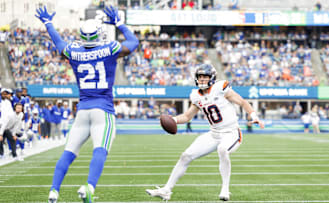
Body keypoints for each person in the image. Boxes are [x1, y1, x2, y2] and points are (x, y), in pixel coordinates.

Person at [35, 5, 139, 203]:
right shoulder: (110, 49)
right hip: (103, 109)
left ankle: (54, 191)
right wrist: (119, 23)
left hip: (82, 110)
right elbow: (133, 42)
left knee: (69, 152)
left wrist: (48, 23)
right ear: (99, 35)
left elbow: (58, 42)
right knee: (100, 149)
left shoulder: (73, 51)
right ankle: (89, 187)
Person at [146, 64, 264, 201]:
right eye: (200, 77)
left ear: (212, 78)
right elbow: (187, 116)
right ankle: (166, 190)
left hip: (231, 133)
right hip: (213, 134)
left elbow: (243, 102)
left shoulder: (220, 88)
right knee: (186, 156)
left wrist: (254, 116)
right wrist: (173, 119)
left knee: (222, 149)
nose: (202, 80)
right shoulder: (196, 96)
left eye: (205, 77)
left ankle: (225, 189)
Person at [0, 89, 21, 161]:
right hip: (1, 124)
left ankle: (14, 155)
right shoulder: (1, 102)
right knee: (1, 141)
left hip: (6, 125)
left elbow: (11, 115)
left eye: (6, 94)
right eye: (3, 94)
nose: (5, 95)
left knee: (12, 139)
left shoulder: (8, 103)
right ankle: (1, 154)